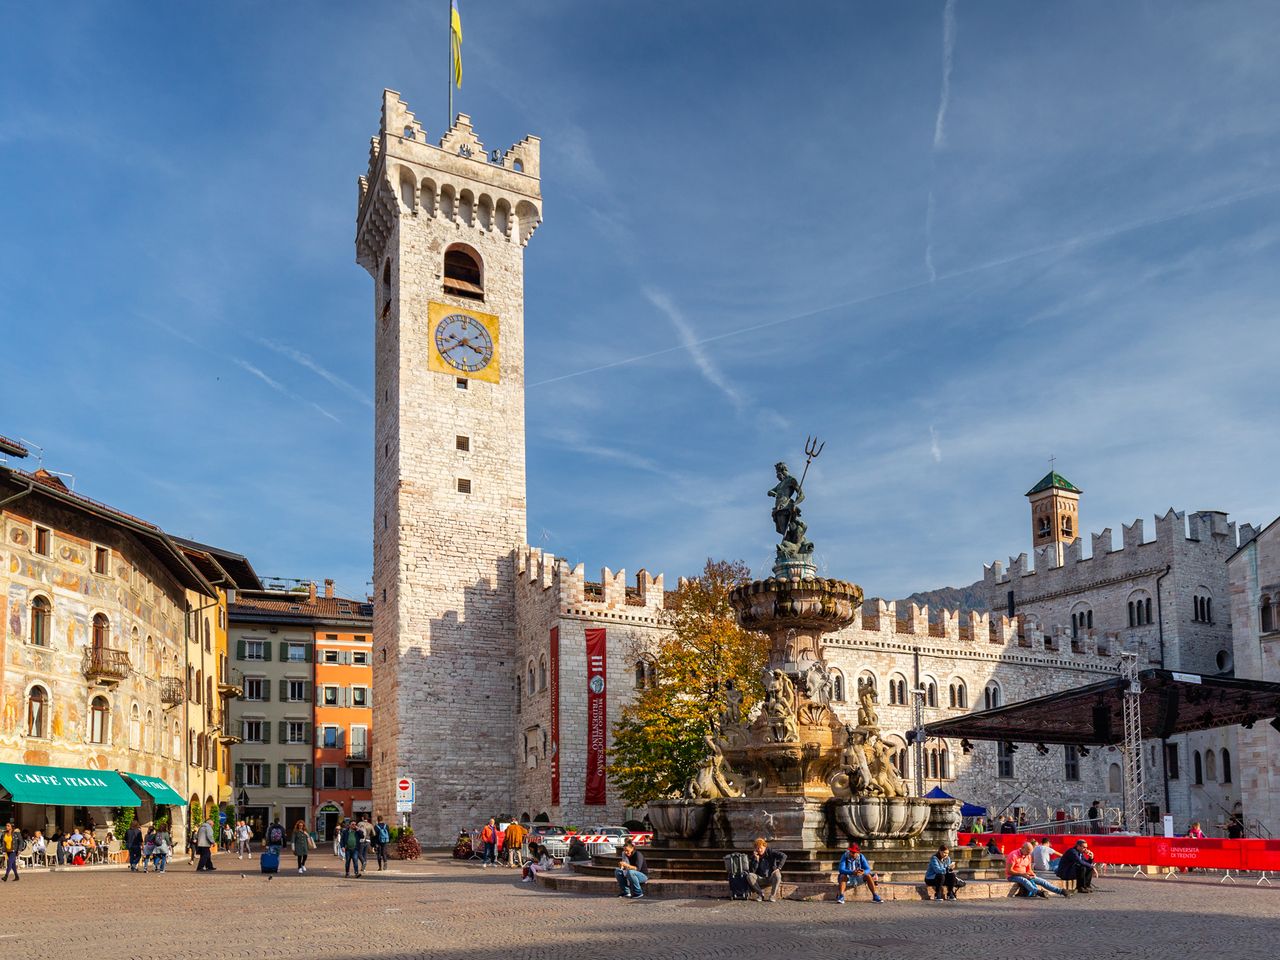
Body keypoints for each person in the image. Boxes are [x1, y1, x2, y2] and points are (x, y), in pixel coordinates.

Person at [747, 837, 786, 903]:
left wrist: (778, 868)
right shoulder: (754, 856)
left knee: (777, 874)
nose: (759, 850)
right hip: (760, 878)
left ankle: (772, 896)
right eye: (757, 848)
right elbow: (752, 871)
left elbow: (784, 856)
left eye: (761, 848)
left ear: (765, 847)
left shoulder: (771, 852)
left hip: (771, 877)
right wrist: (756, 860)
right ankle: (760, 894)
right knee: (749, 875)